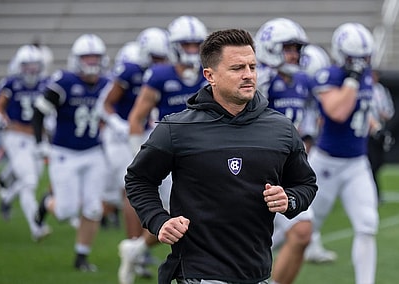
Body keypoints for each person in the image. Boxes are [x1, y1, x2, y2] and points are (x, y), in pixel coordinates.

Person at [124, 28, 318, 284]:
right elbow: (138, 179)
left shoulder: (281, 129)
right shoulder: (176, 128)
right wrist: (159, 220)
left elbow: (306, 184)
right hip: (198, 274)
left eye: (252, 66)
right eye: (237, 68)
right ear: (210, 75)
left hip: (257, 274)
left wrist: (289, 199)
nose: (248, 75)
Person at [118, 15, 209, 284]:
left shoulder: (208, 73)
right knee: (183, 218)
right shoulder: (160, 75)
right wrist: (140, 157)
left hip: (200, 152)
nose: (192, 50)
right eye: (187, 44)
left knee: (185, 217)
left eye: (196, 45)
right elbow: (136, 118)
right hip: (169, 154)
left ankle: (135, 249)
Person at [254, 18, 332, 284]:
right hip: (252, 169)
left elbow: (308, 127)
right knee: (242, 245)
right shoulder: (257, 79)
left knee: (302, 233)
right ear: (270, 47)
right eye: (288, 48)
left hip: (285, 170)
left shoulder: (301, 80)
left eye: (297, 49)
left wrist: (300, 156)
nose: (294, 55)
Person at [306, 22, 379, 284]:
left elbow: (362, 108)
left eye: (364, 58)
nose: (360, 63)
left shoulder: (365, 75)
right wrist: (351, 79)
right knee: (300, 227)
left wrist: (375, 128)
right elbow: (338, 112)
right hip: (326, 162)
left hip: (357, 162)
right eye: (354, 59)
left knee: (367, 224)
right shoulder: (329, 75)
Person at [32, 33, 111, 272]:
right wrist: (39, 143)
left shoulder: (107, 84)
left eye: (95, 57)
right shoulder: (64, 82)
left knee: (93, 208)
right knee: (66, 211)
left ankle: (81, 258)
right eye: (86, 57)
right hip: (64, 151)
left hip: (94, 151)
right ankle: (47, 202)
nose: (91, 61)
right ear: (76, 59)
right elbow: (38, 112)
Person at [97, 27, 170, 278]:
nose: (159, 63)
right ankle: (134, 243)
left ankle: (138, 248)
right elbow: (104, 104)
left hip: (149, 132)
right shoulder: (131, 70)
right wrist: (120, 125)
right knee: (133, 189)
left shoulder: (164, 72)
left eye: (162, 58)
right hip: (123, 136)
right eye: (155, 58)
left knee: (166, 196)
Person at [0, 44, 50, 240]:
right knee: (29, 182)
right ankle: (37, 227)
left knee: (33, 176)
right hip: (15, 136)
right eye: (27, 65)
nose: (31, 69)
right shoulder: (11, 84)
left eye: (35, 65)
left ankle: (7, 197)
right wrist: (2, 121)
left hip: (37, 136)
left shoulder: (46, 83)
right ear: (19, 66)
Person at [367, 70, 395, 202]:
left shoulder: (381, 90)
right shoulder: (362, 87)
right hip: (363, 133)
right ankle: (373, 194)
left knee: (378, 163)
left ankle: (374, 193)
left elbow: (388, 111)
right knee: (368, 164)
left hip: (378, 132)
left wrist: (382, 114)